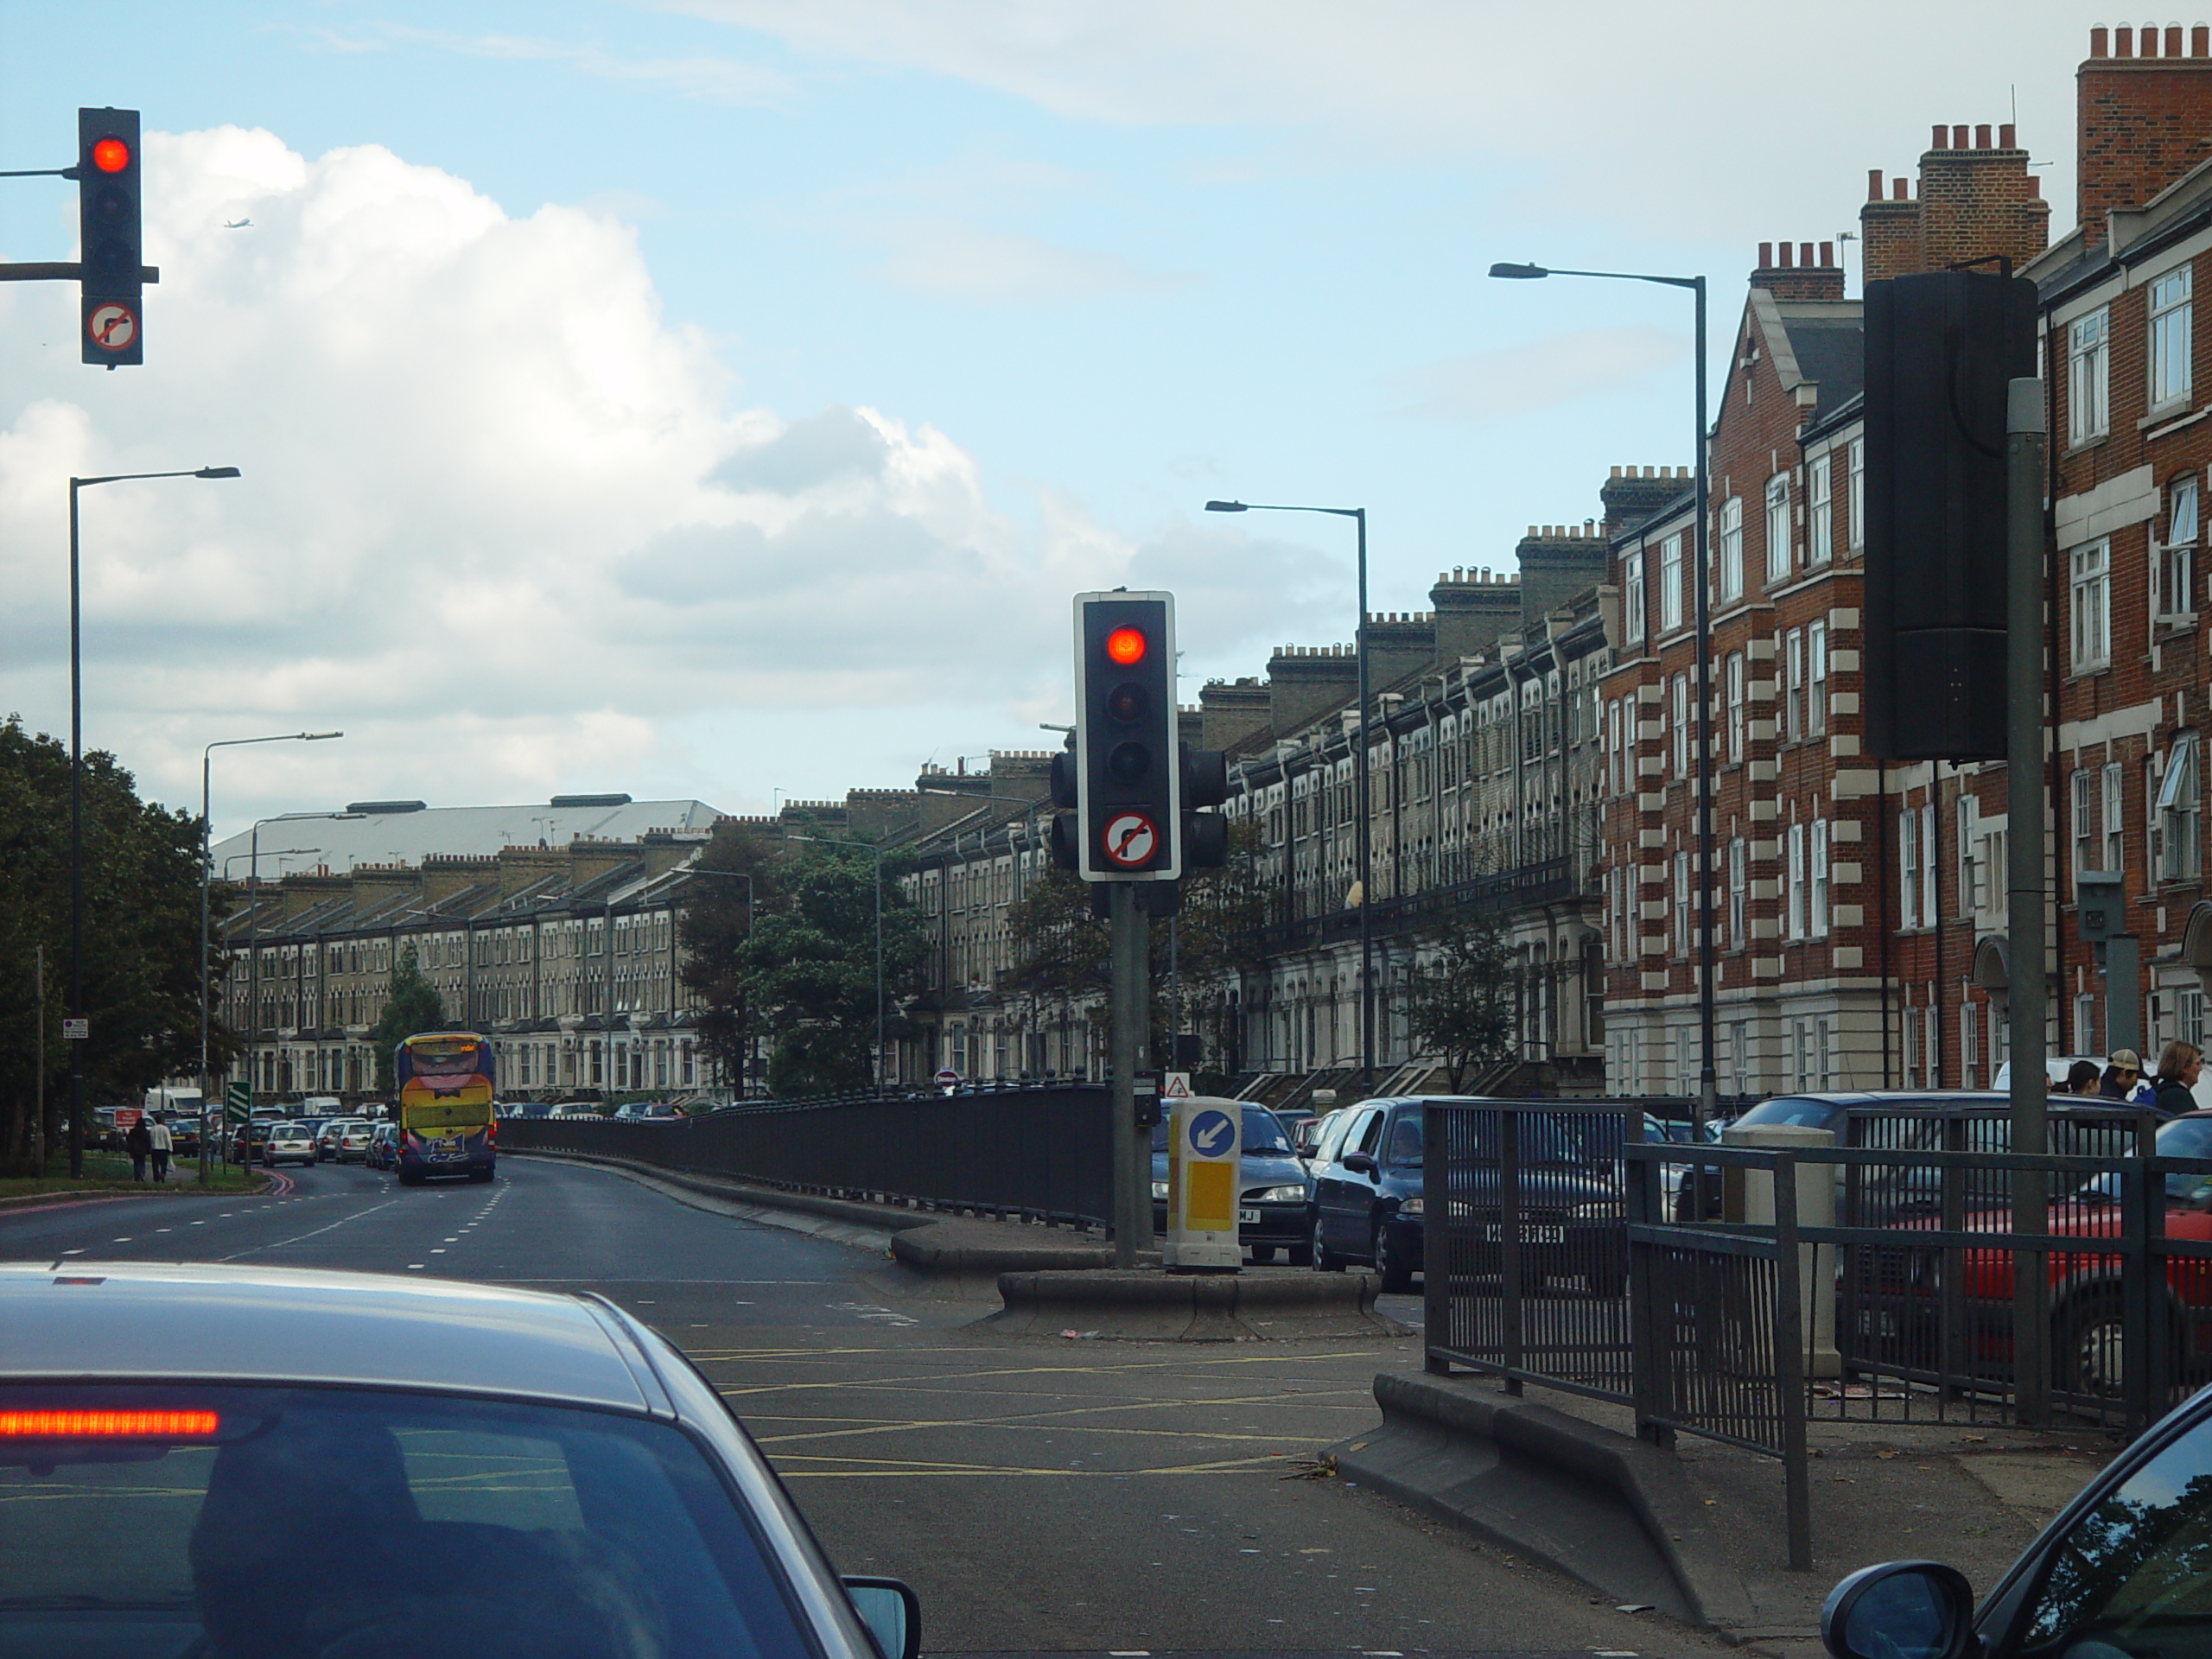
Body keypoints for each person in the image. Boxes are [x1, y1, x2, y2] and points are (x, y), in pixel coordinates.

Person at [2152, 1041, 2203, 1118]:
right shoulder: (2177, 1097)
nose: (2201, 1069)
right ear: (2185, 1067)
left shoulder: (2166, 1091)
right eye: (2197, 1064)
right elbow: (2188, 1128)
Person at [146, 1113, 174, 1183]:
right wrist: (170, 1149)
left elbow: (151, 1139)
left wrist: (151, 1148)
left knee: (155, 1165)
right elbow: (168, 1140)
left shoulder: (152, 1129)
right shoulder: (165, 1129)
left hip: (155, 1149)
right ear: (162, 1120)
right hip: (163, 1149)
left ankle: (156, 1178)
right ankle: (163, 1174)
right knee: (163, 1164)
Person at [124, 1116, 153, 1182]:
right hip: (143, 1150)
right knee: (142, 1162)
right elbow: (148, 1142)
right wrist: (149, 1150)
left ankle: (137, 1176)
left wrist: (129, 1149)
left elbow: (129, 1140)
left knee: (136, 1163)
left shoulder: (132, 1132)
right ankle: (142, 1173)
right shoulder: (146, 1132)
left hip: (134, 1149)